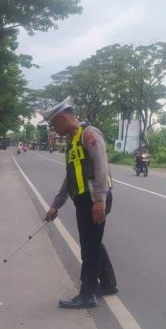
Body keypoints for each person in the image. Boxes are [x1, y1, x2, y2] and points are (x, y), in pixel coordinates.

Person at [40, 97, 118, 309]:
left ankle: (87, 294)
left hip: (95, 199)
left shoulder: (89, 134)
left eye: (54, 124)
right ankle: (109, 284)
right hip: (84, 200)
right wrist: (56, 204)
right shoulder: (74, 140)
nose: (54, 129)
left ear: (64, 118)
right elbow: (71, 177)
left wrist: (100, 200)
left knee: (89, 248)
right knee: (93, 242)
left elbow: (102, 166)